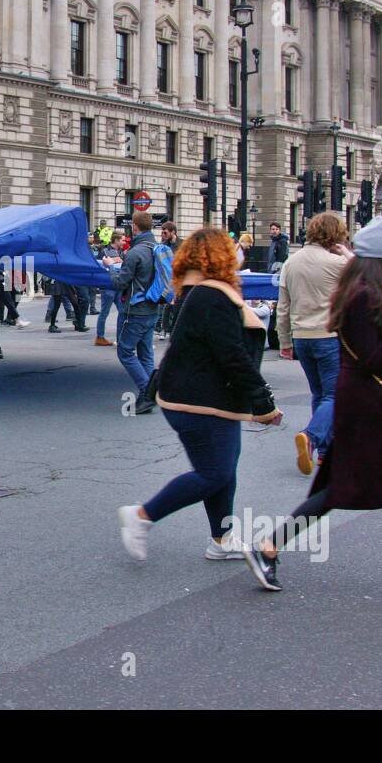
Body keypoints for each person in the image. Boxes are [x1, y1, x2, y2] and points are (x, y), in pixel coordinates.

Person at [243, 217, 382, 597]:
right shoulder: (366, 296)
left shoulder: (360, 291)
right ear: (379, 261)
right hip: (370, 402)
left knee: (340, 487)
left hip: (365, 399)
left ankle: (269, 547)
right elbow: (374, 357)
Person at [117, 229, 282, 563]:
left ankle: (221, 539)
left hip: (204, 396)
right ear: (219, 257)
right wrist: (263, 400)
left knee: (223, 469)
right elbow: (232, 354)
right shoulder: (212, 295)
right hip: (197, 399)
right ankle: (142, 516)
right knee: (214, 472)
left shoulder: (198, 292)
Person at [276, 213, 351, 474]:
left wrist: (284, 340)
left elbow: (282, 307)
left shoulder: (290, 262)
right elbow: (366, 277)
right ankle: (312, 437)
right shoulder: (336, 262)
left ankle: (325, 452)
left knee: (319, 394)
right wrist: (347, 253)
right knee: (336, 394)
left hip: (301, 337)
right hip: (328, 335)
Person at [111, 210, 164, 413]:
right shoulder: (157, 248)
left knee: (125, 351)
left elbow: (120, 282)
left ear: (135, 226)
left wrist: (111, 268)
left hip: (134, 310)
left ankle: (146, 392)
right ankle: (150, 394)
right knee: (145, 352)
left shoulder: (135, 252)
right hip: (153, 308)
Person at [95, 230, 125, 347]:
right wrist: (112, 262)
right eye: (122, 239)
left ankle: (120, 337)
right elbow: (98, 266)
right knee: (105, 312)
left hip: (118, 285)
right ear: (116, 240)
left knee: (122, 311)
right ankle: (100, 337)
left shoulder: (121, 252)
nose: (123, 242)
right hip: (108, 286)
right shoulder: (104, 251)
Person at [156, 222, 180, 341]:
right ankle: (164, 329)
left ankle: (172, 329)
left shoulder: (181, 244)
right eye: (162, 232)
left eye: (165, 232)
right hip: (167, 279)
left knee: (176, 305)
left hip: (179, 278)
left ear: (173, 232)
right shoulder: (163, 244)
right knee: (167, 305)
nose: (163, 234)